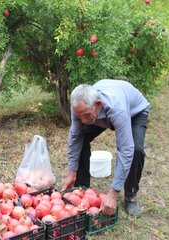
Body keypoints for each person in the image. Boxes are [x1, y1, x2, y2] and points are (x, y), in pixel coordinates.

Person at [62, 79, 151, 217]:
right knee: (82, 137)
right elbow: (75, 138)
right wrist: (72, 172)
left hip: (135, 113)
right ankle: (82, 189)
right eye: (80, 116)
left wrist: (113, 192)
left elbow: (125, 150)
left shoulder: (117, 108)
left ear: (98, 104)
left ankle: (130, 196)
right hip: (102, 113)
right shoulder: (80, 107)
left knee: (135, 150)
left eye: (86, 115)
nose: (83, 121)